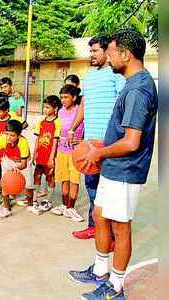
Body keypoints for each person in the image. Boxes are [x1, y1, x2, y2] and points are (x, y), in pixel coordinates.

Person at [68, 29, 157, 300]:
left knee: (121, 226)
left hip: (126, 169)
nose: (108, 56)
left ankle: (115, 287)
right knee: (100, 216)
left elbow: (131, 142)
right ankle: (100, 270)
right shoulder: (131, 83)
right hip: (113, 166)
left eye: (111, 51)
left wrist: (99, 152)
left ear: (125, 54)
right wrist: (99, 143)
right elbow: (121, 132)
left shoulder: (139, 89)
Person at [68, 35, 126, 240]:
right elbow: (83, 106)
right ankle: (94, 227)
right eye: (90, 51)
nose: (91, 55)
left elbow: (123, 105)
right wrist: (73, 128)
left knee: (109, 191)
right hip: (88, 142)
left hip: (109, 144)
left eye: (95, 51)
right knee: (91, 186)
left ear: (106, 52)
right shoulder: (89, 76)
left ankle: (111, 234)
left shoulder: (116, 75)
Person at [51, 85, 84, 221]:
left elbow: (87, 130)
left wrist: (83, 141)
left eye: (66, 97)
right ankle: (65, 206)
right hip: (61, 152)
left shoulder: (80, 111)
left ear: (74, 97)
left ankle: (71, 208)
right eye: (61, 97)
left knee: (74, 181)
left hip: (75, 153)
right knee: (64, 179)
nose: (63, 100)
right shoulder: (60, 112)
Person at [25, 95, 62, 215]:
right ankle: (35, 199)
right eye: (44, 107)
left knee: (50, 178)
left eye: (47, 107)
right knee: (37, 176)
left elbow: (55, 141)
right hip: (40, 155)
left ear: (55, 108)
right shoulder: (41, 121)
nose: (45, 110)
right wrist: (34, 154)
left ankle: (48, 200)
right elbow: (37, 139)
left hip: (49, 156)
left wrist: (52, 157)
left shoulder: (57, 122)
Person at [0, 119, 30, 218]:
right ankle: (6, 208)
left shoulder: (23, 143)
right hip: (8, 159)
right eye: (7, 134)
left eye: (12, 135)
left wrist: (16, 167)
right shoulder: (3, 139)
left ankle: (32, 202)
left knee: (28, 185)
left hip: (21, 161)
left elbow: (24, 164)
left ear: (18, 136)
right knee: (5, 184)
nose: (9, 137)